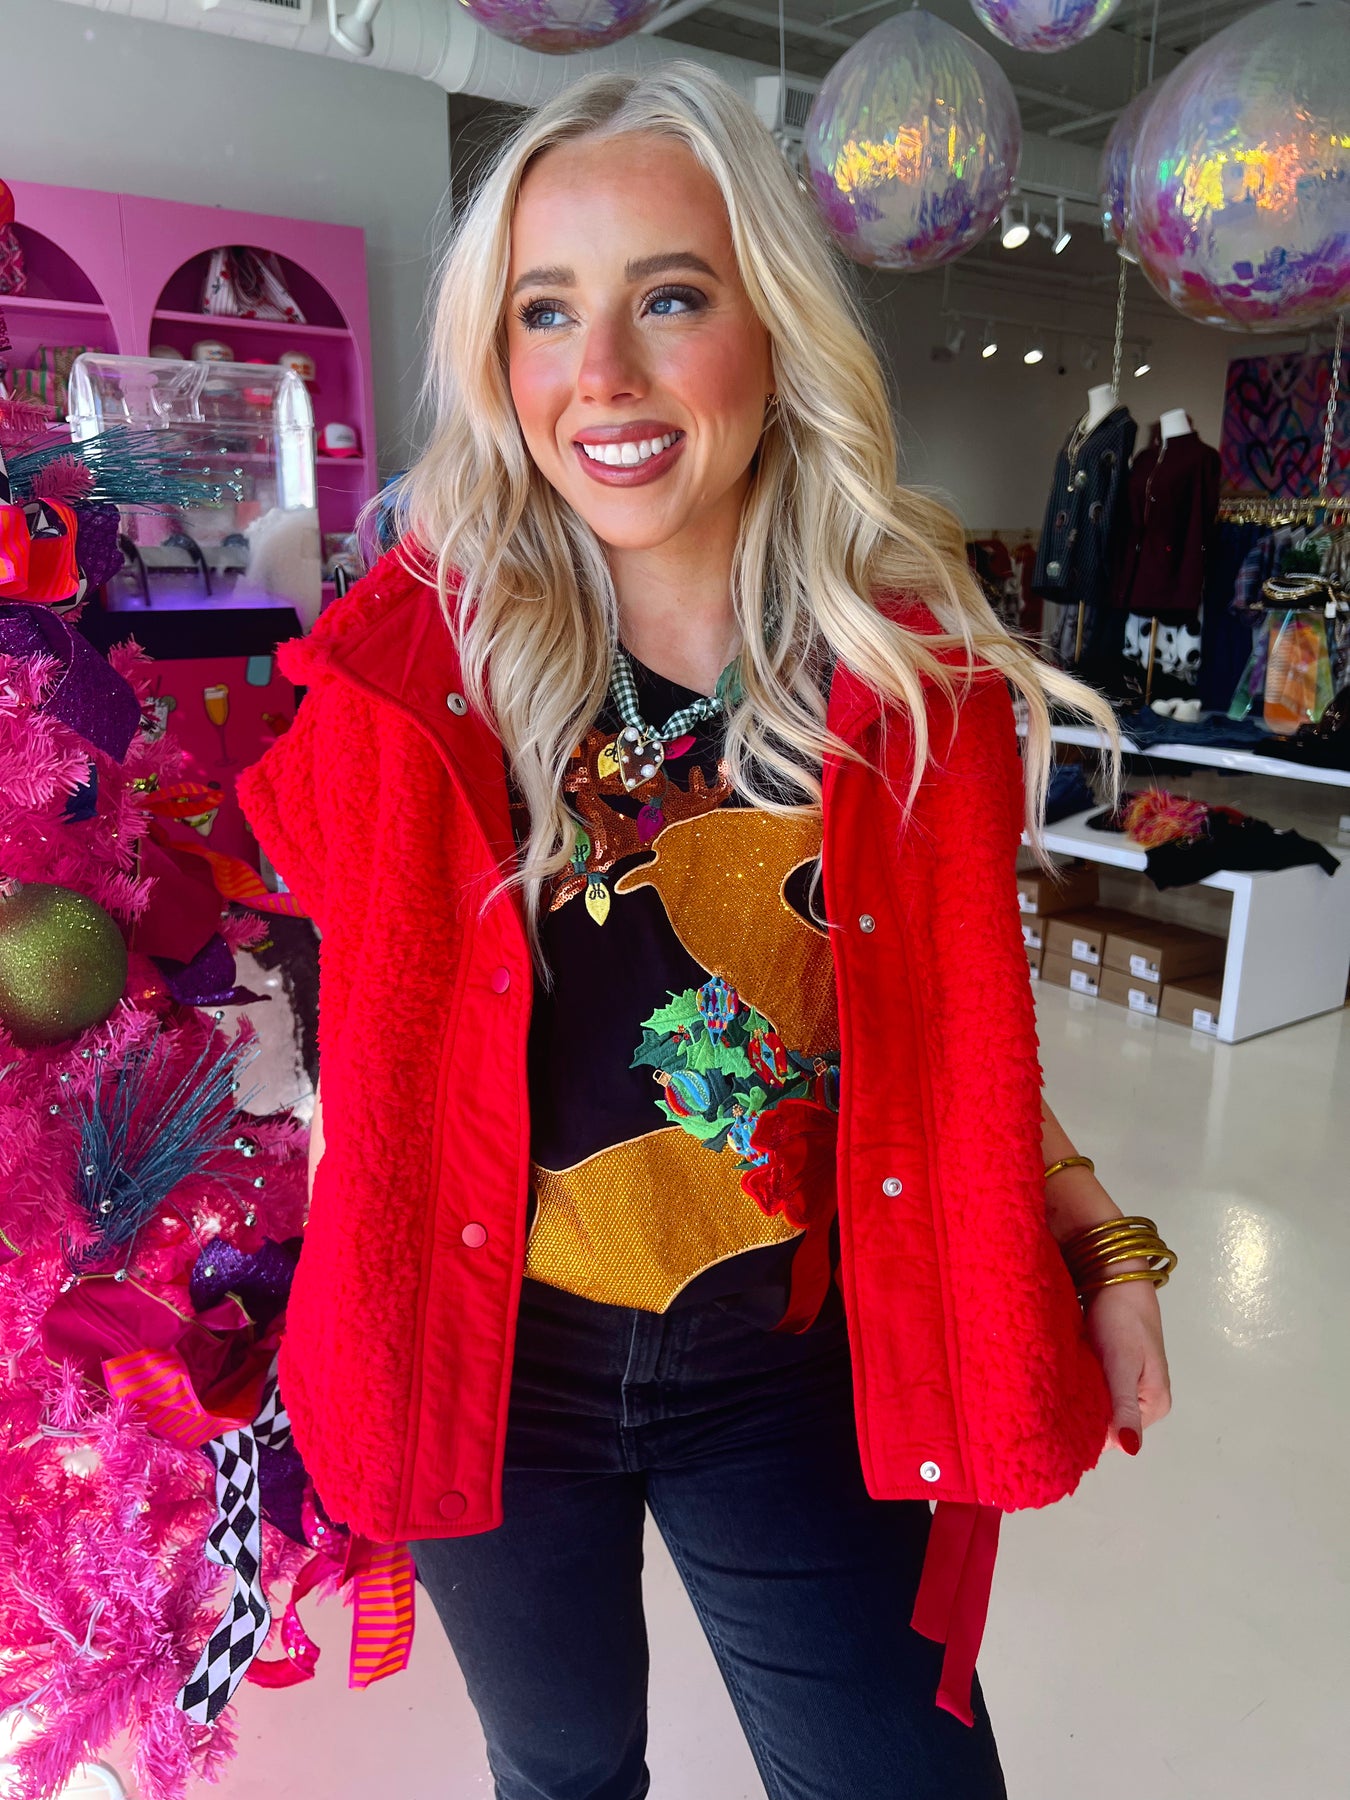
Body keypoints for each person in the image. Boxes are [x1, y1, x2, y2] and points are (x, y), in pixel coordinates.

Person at [239, 62, 1174, 1800]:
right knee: (561, 1776)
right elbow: (346, 1018)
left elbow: (952, 1037)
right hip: (494, 1364)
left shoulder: (897, 684)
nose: (599, 372)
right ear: (498, 359)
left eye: (668, 298)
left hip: (788, 1362)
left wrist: (1095, 1233)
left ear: (773, 329)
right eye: (544, 312)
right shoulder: (412, 677)